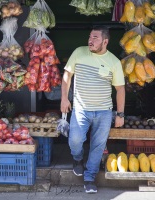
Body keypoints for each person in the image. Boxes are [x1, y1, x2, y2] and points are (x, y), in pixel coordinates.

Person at [60, 26, 125, 194]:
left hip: (103, 111)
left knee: (98, 146)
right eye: (90, 37)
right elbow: (67, 75)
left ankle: (90, 178)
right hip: (81, 108)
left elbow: (120, 89)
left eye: (95, 37)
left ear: (105, 41)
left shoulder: (114, 62)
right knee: (75, 140)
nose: (90, 40)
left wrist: (120, 114)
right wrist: (64, 98)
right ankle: (77, 158)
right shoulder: (79, 52)